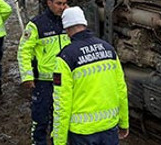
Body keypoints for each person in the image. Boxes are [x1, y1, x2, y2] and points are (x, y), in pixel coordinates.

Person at [52, 7, 129, 144]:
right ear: (84, 23)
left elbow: (62, 104)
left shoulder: (65, 57)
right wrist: (124, 123)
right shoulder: (109, 49)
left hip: (82, 134)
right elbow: (121, 90)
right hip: (109, 128)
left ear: (67, 29)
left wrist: (59, 141)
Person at [18, 0, 71, 145]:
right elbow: (24, 51)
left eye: (64, 4)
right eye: (59, 3)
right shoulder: (36, 24)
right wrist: (27, 76)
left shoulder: (69, 23)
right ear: (49, 3)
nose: (62, 7)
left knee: (61, 120)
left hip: (64, 82)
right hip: (43, 82)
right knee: (40, 119)